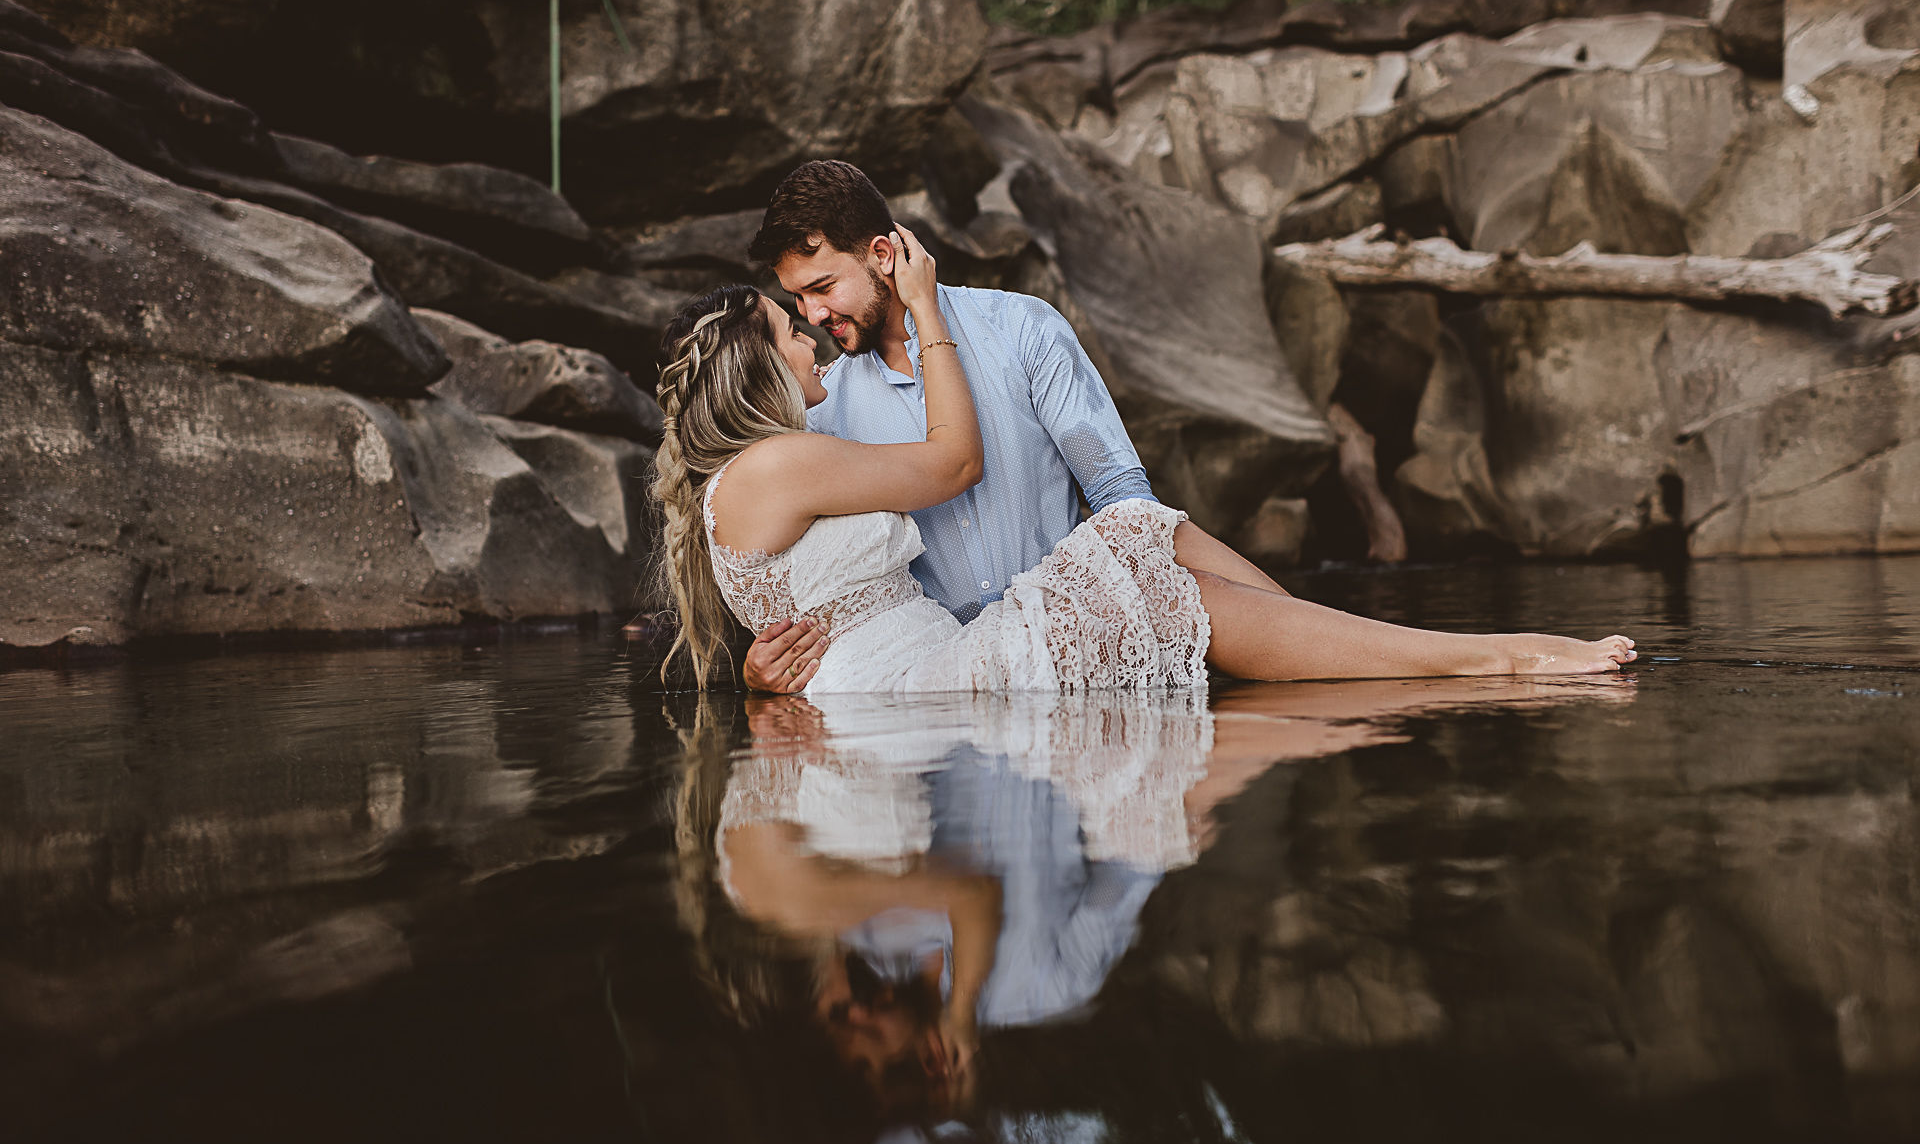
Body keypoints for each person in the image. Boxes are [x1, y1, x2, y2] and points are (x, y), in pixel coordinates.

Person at [645, 222, 1638, 692]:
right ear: (754, 373)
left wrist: (769, 676)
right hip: (935, 681)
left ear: (872, 248)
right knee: (1163, 578)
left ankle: (1385, 652)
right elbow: (952, 466)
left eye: (815, 299)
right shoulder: (787, 458)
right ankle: (1493, 659)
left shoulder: (788, 455)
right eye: (791, 324)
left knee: (1137, 529)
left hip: (938, 664)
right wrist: (927, 308)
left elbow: (788, 591)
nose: (811, 334)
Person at [737, 159, 1297, 695]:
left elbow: (1122, 501)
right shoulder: (822, 411)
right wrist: (759, 671)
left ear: (882, 254)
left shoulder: (1023, 328)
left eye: (822, 287)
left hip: (1085, 655)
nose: (811, 314)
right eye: (798, 298)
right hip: (947, 694)